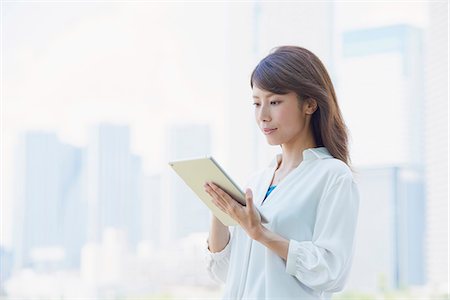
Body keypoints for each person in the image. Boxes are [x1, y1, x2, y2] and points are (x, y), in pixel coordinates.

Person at [203, 46, 360, 300]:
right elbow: (226, 273)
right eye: (256, 103)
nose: (263, 116)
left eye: (274, 102)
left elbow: (332, 272)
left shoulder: (333, 176)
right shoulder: (257, 181)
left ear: (309, 104)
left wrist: (261, 234)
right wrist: (219, 208)